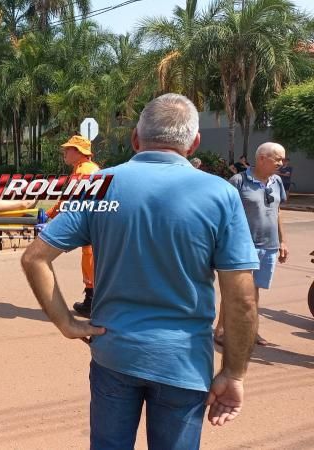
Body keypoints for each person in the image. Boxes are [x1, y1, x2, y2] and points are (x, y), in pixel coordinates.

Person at [20, 93, 259, 449]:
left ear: (135, 138)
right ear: (194, 144)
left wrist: (66, 323)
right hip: (184, 363)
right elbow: (241, 300)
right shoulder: (221, 194)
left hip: (114, 353)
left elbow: (34, 258)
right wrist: (233, 372)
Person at [215, 142, 288, 346]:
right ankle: (221, 330)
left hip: (270, 245)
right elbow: (224, 214)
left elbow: (278, 212)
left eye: (283, 159)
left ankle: (251, 331)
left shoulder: (277, 182)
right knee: (236, 290)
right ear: (262, 158)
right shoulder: (237, 181)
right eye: (278, 159)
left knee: (254, 292)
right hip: (243, 246)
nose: (281, 163)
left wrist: (283, 240)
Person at [45, 135, 100, 318]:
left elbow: (69, 199)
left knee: (90, 257)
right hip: (94, 219)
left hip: (90, 220)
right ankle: (92, 300)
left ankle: (92, 302)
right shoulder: (86, 168)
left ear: (78, 152)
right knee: (91, 257)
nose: (65, 152)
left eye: (68, 149)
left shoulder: (83, 171)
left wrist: (49, 215)